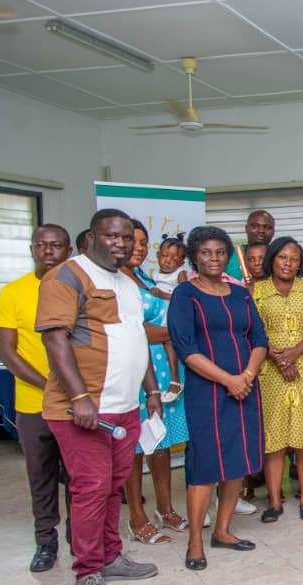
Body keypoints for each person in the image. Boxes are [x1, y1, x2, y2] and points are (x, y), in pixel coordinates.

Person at [37, 208, 161, 585]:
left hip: (124, 406)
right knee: (90, 489)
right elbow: (55, 340)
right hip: (84, 409)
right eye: (111, 236)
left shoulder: (126, 281)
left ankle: (110, 557)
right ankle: (87, 570)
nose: (120, 244)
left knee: (111, 487)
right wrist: (79, 398)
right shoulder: (67, 276)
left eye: (127, 238)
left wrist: (152, 390)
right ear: (92, 237)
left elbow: (136, 337)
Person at [168, 226, 267, 571]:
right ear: (194, 256)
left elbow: (259, 339)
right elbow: (185, 349)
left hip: (245, 389)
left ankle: (223, 531)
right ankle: (195, 541)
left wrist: (246, 377)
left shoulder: (240, 294)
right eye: (206, 252)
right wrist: (228, 380)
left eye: (220, 252)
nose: (214, 258)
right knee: (206, 465)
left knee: (237, 460)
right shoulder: (185, 295)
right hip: (207, 392)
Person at [0, 223, 73, 572]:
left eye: (56, 245)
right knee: (41, 477)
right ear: (32, 249)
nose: (48, 252)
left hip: (77, 403)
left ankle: (79, 539)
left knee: (78, 477)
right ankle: (46, 541)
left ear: (68, 251)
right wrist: (50, 386)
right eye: (41, 245)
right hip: (33, 403)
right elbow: (8, 354)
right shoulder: (12, 292)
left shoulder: (79, 290)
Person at [119, 220, 191, 545]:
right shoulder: (116, 282)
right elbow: (133, 330)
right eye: (131, 241)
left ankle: (166, 509)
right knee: (134, 448)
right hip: (135, 373)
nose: (137, 247)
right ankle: (137, 517)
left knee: (160, 443)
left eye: (141, 242)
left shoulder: (147, 278)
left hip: (164, 372)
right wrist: (176, 333)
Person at [252, 237, 303, 522]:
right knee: (274, 438)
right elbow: (252, 329)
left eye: (294, 259)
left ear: (300, 263)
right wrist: (278, 358)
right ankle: (274, 502)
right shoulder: (256, 291)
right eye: (283, 257)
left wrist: (293, 353)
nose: (288, 263)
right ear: (272, 259)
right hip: (269, 369)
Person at [148, 236, 187, 404]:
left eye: (174, 258)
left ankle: (175, 379)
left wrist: (162, 294)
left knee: (169, 342)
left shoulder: (180, 274)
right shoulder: (154, 274)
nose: (168, 261)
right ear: (158, 255)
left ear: (181, 262)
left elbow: (184, 296)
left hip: (172, 313)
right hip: (159, 316)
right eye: (164, 256)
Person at [224, 209, 275, 282]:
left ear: (273, 231)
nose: (261, 231)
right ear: (246, 228)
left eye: (267, 227)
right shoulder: (229, 254)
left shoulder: (279, 256)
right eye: (255, 226)